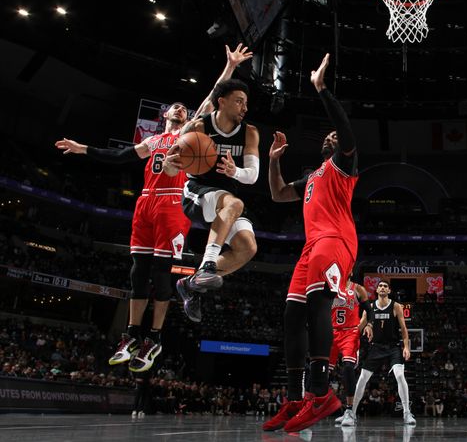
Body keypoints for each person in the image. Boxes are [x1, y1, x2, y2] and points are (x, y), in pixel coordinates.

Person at [263, 53, 359, 432]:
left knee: (318, 304)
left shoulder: (343, 166)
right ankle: (294, 398)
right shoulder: (313, 175)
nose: (334, 136)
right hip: (311, 246)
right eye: (329, 135)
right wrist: (272, 161)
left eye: (337, 136)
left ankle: (321, 393)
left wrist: (322, 89)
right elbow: (278, 195)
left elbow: (347, 134)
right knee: (291, 315)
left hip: (336, 239)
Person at [55, 102, 189, 372]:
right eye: (175, 108)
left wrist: (230, 66)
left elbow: (212, 97)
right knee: (138, 272)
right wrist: (84, 149)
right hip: (146, 202)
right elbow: (120, 156)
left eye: (184, 108)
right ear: (165, 115)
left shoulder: (190, 135)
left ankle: (155, 337)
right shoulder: (153, 141)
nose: (179, 110)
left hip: (172, 203)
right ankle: (131, 334)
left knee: (162, 275)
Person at [176, 76, 260, 323]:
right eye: (239, 102)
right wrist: (173, 164)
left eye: (246, 103)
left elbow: (253, 176)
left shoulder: (250, 133)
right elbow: (174, 162)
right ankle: (208, 266)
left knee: (248, 248)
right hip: (197, 191)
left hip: (227, 198)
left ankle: (191, 283)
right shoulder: (199, 127)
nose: (245, 108)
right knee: (234, 203)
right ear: (221, 102)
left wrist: (235, 172)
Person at [350, 279, 416, 425]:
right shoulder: (370, 307)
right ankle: (352, 413)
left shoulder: (396, 306)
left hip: (393, 347)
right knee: (362, 378)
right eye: (380, 286)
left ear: (389, 291)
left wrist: (406, 347)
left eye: (385, 286)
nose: (382, 288)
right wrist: (351, 337)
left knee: (400, 375)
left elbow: (404, 329)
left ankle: (407, 413)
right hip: (376, 347)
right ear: (377, 290)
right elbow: (360, 325)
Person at [331, 280, 374, 427]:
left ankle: (350, 411)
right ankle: (311, 407)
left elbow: (369, 311)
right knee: (320, 370)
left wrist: (368, 324)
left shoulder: (357, 289)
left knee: (348, 367)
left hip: (350, 332)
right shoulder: (329, 284)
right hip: (331, 332)